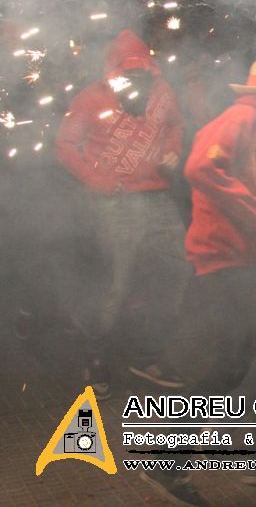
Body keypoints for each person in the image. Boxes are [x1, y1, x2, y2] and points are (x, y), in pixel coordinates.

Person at [142, 55, 256, 503]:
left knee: (231, 365)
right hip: (229, 263)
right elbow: (200, 170)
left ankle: (167, 464)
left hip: (237, 261)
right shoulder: (242, 117)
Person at [54, 29, 186, 396]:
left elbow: (175, 124)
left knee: (175, 273)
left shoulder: (162, 93)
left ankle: (146, 355)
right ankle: (95, 359)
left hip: (157, 198)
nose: (137, 79)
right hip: (113, 201)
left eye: (142, 72)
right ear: (114, 72)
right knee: (115, 283)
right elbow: (65, 143)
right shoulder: (90, 98)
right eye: (130, 73)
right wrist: (92, 176)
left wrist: (173, 148)